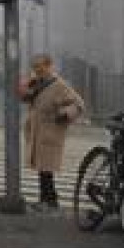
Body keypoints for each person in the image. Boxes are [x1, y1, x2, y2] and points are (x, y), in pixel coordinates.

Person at [20, 54, 85, 211]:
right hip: (38, 131)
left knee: (46, 169)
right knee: (42, 169)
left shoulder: (59, 85)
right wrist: (26, 89)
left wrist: (64, 114)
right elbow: (26, 98)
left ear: (50, 66)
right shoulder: (37, 83)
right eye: (35, 67)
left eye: (40, 67)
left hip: (50, 131)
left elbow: (78, 104)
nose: (37, 70)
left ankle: (50, 200)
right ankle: (45, 200)